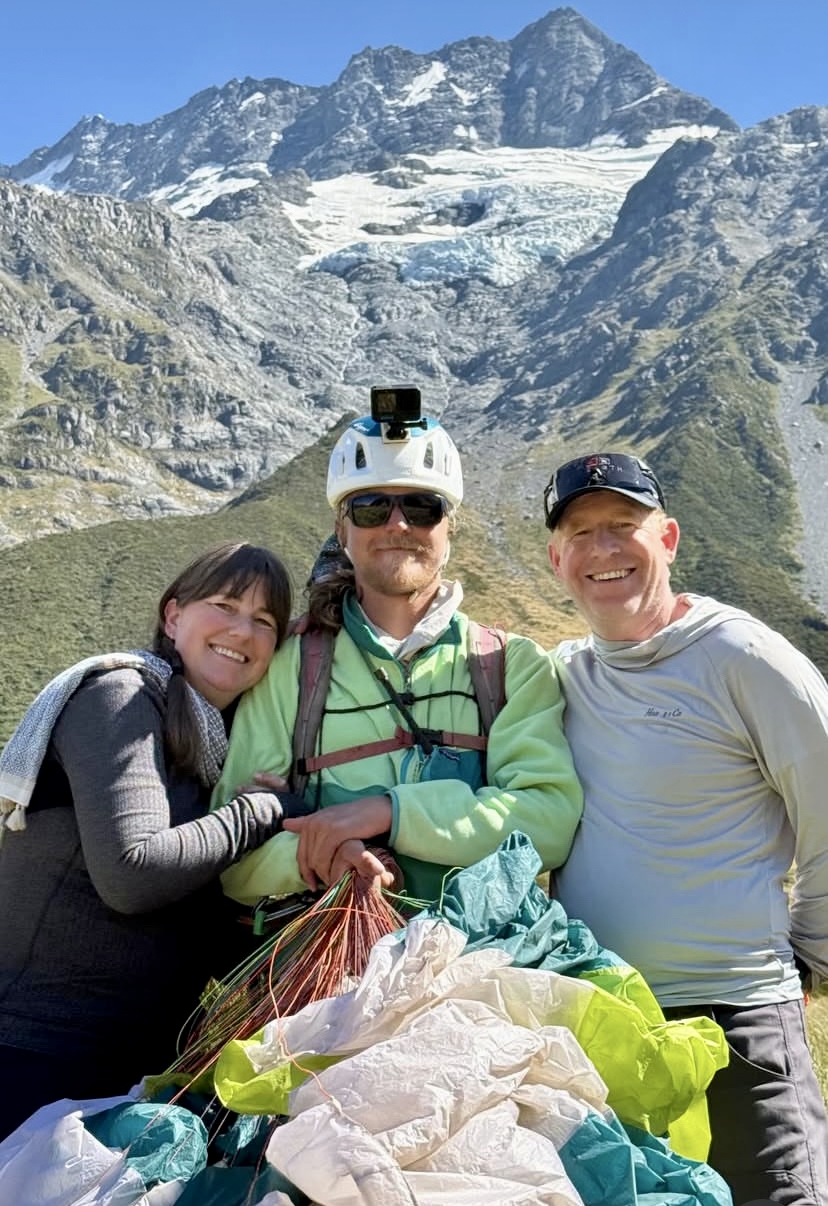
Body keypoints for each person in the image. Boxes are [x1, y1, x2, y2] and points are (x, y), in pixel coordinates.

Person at [543, 450, 828, 1206]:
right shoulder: (566, 675)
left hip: (739, 1021)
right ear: (557, 558)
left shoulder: (746, 658)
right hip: (606, 1025)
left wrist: (808, 960)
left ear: (667, 538)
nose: (604, 550)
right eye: (582, 533)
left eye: (623, 526)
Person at [211, 388, 583, 906]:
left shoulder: (510, 665)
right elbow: (234, 858)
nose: (398, 525)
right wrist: (319, 856)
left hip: (478, 962)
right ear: (341, 529)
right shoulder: (289, 666)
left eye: (422, 507)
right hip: (329, 970)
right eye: (370, 508)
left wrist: (390, 812)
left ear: (449, 529)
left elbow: (548, 822)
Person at [0, 541, 308, 1141]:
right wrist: (264, 810)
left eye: (265, 621)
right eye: (223, 604)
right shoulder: (120, 695)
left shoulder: (214, 747)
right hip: (28, 1054)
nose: (242, 631)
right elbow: (132, 873)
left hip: (120, 1072)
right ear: (173, 617)